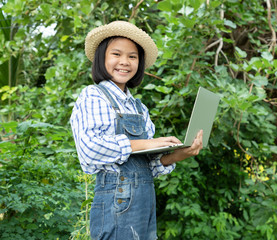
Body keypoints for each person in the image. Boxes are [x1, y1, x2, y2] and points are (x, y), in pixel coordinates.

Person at [70, 21, 203, 240]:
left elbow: (146, 166)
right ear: (102, 58)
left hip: (144, 200)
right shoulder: (93, 96)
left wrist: (179, 153)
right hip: (116, 199)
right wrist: (148, 143)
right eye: (116, 54)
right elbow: (90, 149)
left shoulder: (139, 108)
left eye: (132, 56)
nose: (124, 62)